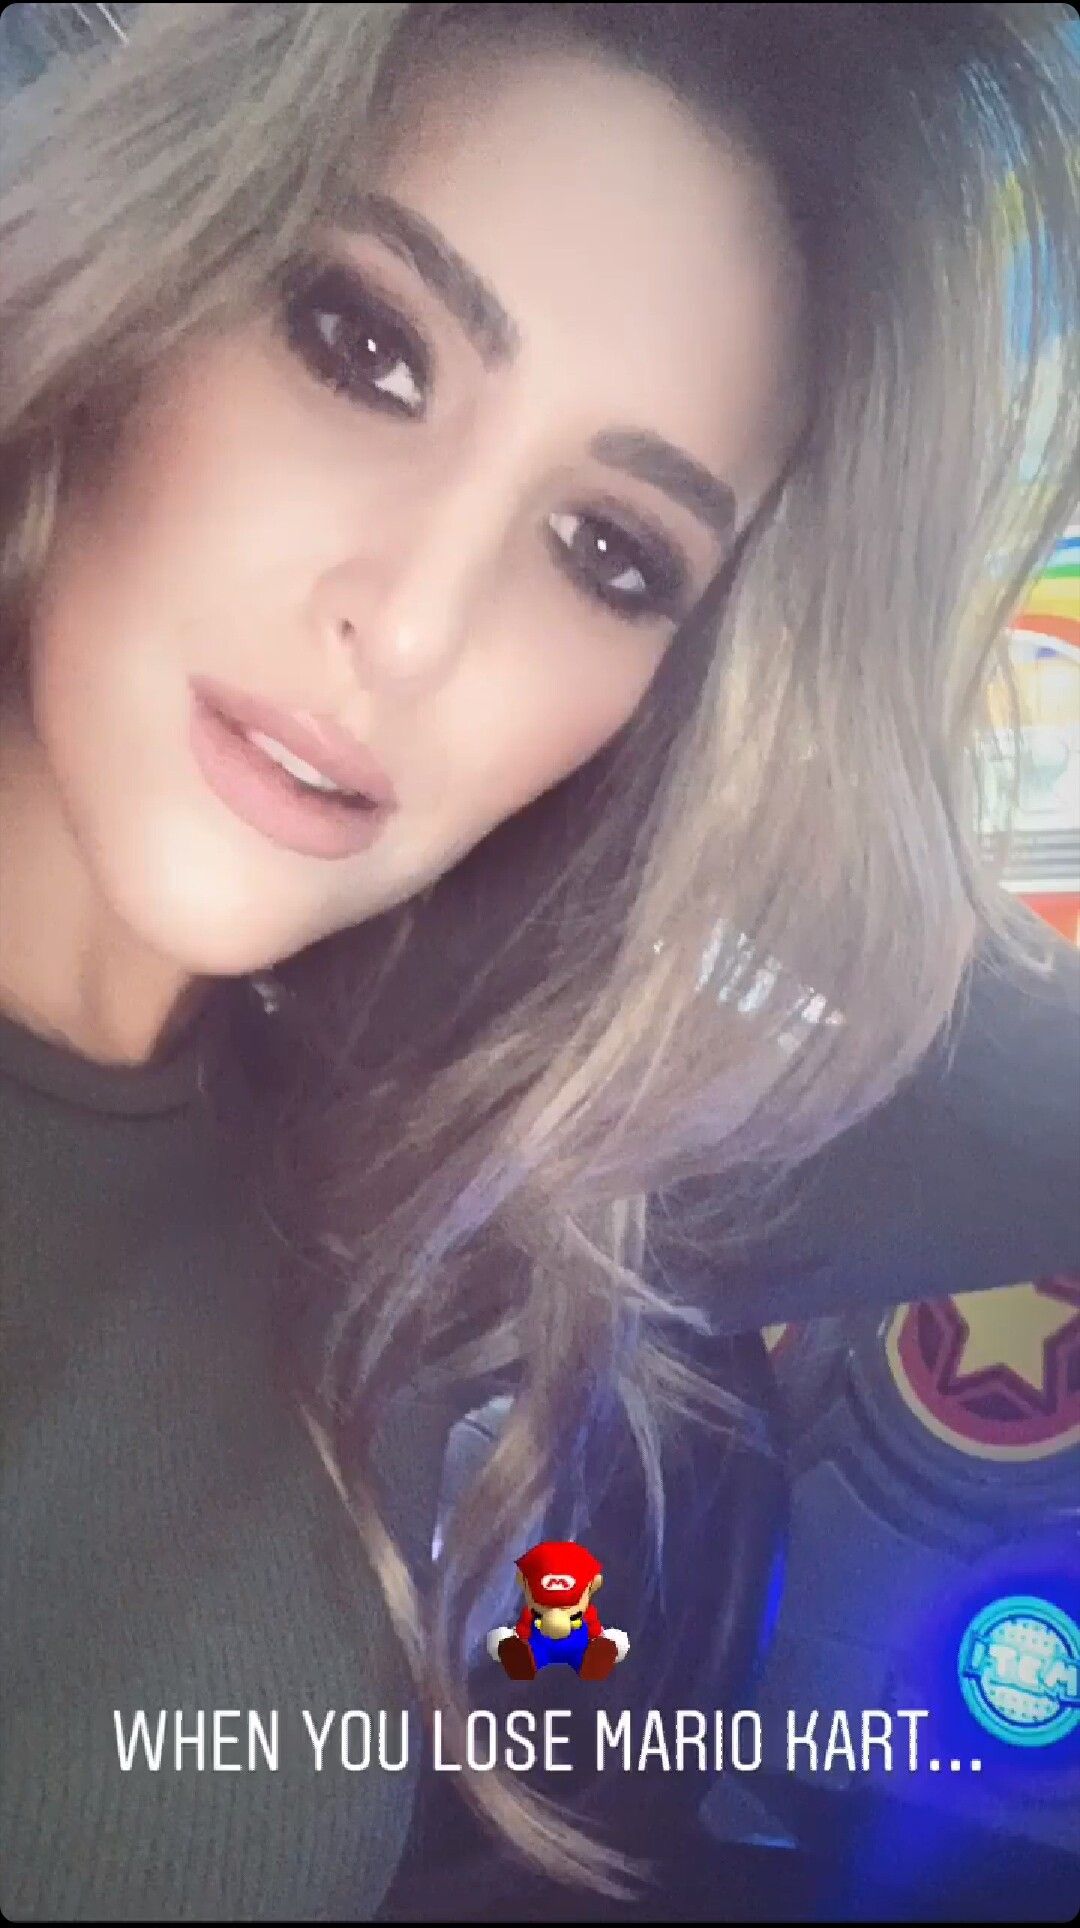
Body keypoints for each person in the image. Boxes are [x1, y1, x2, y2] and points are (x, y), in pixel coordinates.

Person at [0, 2, 1077, 1920]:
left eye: (610, 550)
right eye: (363, 346)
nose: (418, 626)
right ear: (145, 266)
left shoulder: (451, 1130)